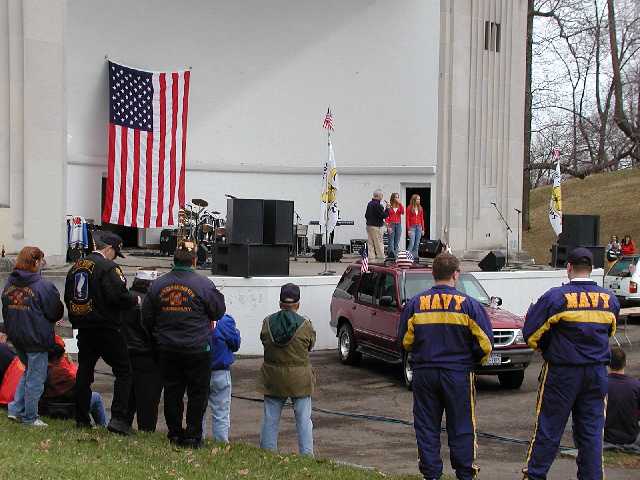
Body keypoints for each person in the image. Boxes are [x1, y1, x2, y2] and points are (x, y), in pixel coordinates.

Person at [522, 247, 620, 479]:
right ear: (592, 269)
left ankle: (535, 475)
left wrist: (549, 348)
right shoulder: (609, 300)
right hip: (596, 372)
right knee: (592, 432)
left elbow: (531, 333)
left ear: (568, 268)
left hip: (562, 372)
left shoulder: (556, 297)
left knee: (548, 428)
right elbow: (609, 331)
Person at [398, 253, 493, 480]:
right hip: (458, 374)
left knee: (427, 427)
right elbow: (486, 344)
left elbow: (405, 341)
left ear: (433, 274)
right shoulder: (469, 305)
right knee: (461, 426)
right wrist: (473, 361)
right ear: (456, 275)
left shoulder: (416, 304)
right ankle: (464, 474)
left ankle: (431, 475)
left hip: (425, 373)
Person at [143, 242, 226, 448]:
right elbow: (217, 312)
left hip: (168, 348)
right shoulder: (204, 284)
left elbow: (146, 318)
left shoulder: (157, 285)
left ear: (174, 259)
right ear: (194, 261)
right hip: (197, 349)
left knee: (173, 392)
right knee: (198, 394)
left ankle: (175, 434)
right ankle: (192, 436)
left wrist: (160, 336)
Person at [64, 231, 138, 434]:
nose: (115, 257)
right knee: (124, 371)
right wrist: (135, 300)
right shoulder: (109, 268)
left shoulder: (75, 267)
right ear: (109, 248)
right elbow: (119, 296)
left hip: (84, 327)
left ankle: (81, 418)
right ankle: (119, 419)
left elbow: (68, 296)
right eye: (115, 252)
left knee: (85, 372)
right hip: (106, 327)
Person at [2, 246, 64, 427]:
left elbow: (6, 310)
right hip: (36, 339)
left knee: (28, 373)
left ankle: (15, 409)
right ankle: (30, 417)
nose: (42, 264)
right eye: (41, 260)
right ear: (36, 262)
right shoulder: (43, 286)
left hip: (17, 337)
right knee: (36, 379)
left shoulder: (9, 284)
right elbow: (54, 311)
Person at [258, 283, 316, 456]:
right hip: (300, 379)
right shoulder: (305, 324)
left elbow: (264, 340)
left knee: (271, 417)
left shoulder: (267, 322)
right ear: (297, 304)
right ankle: (306, 454)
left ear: (280, 303)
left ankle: (268, 452)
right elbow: (310, 345)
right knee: (304, 419)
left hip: (273, 377)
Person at [123, 270, 163, 432]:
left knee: (126, 395)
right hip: (147, 357)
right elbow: (153, 330)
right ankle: (146, 431)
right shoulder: (150, 302)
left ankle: (122, 424)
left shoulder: (125, 298)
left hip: (126, 353)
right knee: (148, 400)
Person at [39, 334, 107, 427]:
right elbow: (80, 385)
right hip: (68, 408)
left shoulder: (41, 370)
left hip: (46, 407)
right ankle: (103, 425)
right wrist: (71, 365)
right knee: (96, 397)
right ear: (58, 357)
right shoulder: (61, 372)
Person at [206, 313, 241, 443]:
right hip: (220, 371)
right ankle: (220, 442)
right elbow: (235, 343)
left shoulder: (197, 317)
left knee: (199, 410)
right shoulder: (225, 321)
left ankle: (198, 438)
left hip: (201, 371)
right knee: (221, 412)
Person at [604, 346, 640, 449]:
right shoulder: (636, 385)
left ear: (608, 363)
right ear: (625, 363)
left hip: (606, 436)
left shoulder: (600, 384)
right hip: (630, 436)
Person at [365, 189, 389, 262]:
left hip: (369, 226)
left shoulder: (369, 203)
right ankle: (381, 260)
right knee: (379, 244)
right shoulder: (378, 205)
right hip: (376, 227)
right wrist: (387, 208)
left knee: (370, 244)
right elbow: (383, 215)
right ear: (379, 196)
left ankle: (371, 260)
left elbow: (366, 215)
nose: (382, 197)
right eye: (382, 195)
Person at [385, 193, 404, 260]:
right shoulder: (389, 206)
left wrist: (400, 203)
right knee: (391, 241)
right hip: (391, 224)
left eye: (398, 197)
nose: (397, 198)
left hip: (398, 224)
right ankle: (391, 255)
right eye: (395, 197)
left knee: (397, 241)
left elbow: (402, 212)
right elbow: (386, 217)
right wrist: (388, 227)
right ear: (392, 198)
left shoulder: (399, 206)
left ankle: (396, 255)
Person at [406, 194, 425, 261]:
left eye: (419, 199)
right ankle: (407, 257)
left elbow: (422, 218)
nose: (419, 200)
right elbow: (407, 219)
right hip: (412, 227)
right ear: (414, 200)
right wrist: (408, 229)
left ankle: (415, 258)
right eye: (417, 199)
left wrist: (423, 229)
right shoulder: (409, 207)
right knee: (412, 242)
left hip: (419, 227)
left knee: (417, 243)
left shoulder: (420, 208)